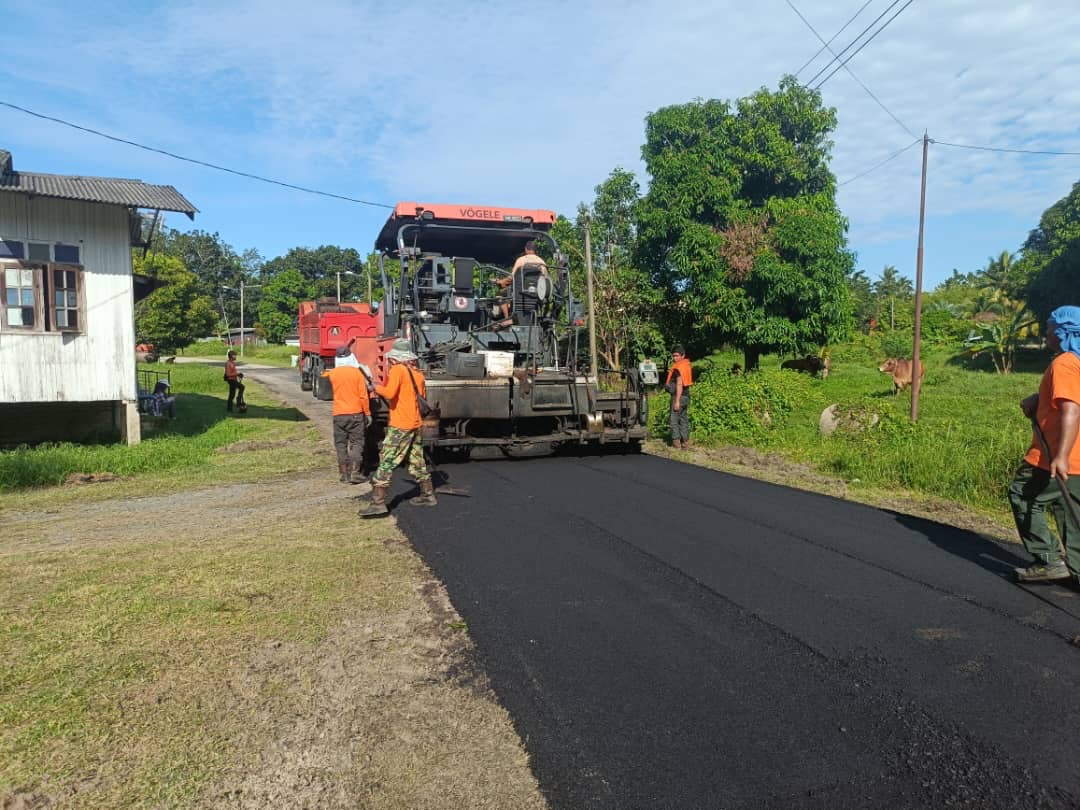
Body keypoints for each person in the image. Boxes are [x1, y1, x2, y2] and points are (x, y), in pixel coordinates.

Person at [1010, 306, 1080, 585]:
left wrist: (1060, 456)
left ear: (1063, 332)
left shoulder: (1064, 363)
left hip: (1054, 454)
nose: (1046, 332)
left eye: (1050, 327)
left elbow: (1071, 409)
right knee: (1070, 511)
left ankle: (1049, 559)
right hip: (1078, 459)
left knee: (1023, 495)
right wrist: (1037, 399)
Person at [358, 343, 436, 517]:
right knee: (416, 459)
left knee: (387, 459)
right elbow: (421, 398)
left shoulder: (398, 370)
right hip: (415, 423)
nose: (389, 362)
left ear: (395, 358)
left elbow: (390, 393)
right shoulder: (418, 374)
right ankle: (428, 494)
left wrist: (374, 387)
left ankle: (378, 503)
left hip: (401, 424)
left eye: (390, 359)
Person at [321, 345, 372, 484]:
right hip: (356, 413)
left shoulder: (332, 374)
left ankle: (344, 474)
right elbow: (363, 396)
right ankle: (355, 472)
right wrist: (368, 413)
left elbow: (324, 385)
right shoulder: (357, 373)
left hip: (338, 414)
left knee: (340, 444)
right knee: (357, 443)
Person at [495, 240, 549, 319]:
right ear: (535, 250)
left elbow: (511, 277)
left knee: (499, 294)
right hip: (536, 293)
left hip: (520, 292)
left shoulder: (521, 260)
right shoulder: (541, 262)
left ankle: (506, 318)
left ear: (526, 249)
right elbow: (545, 279)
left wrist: (501, 281)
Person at [666, 345, 693, 450]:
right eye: (673, 356)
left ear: (683, 355)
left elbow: (679, 384)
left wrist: (677, 401)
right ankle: (685, 442)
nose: (674, 358)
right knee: (683, 419)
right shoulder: (686, 365)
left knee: (674, 420)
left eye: (677, 356)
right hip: (686, 396)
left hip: (679, 396)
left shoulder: (678, 368)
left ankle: (676, 443)